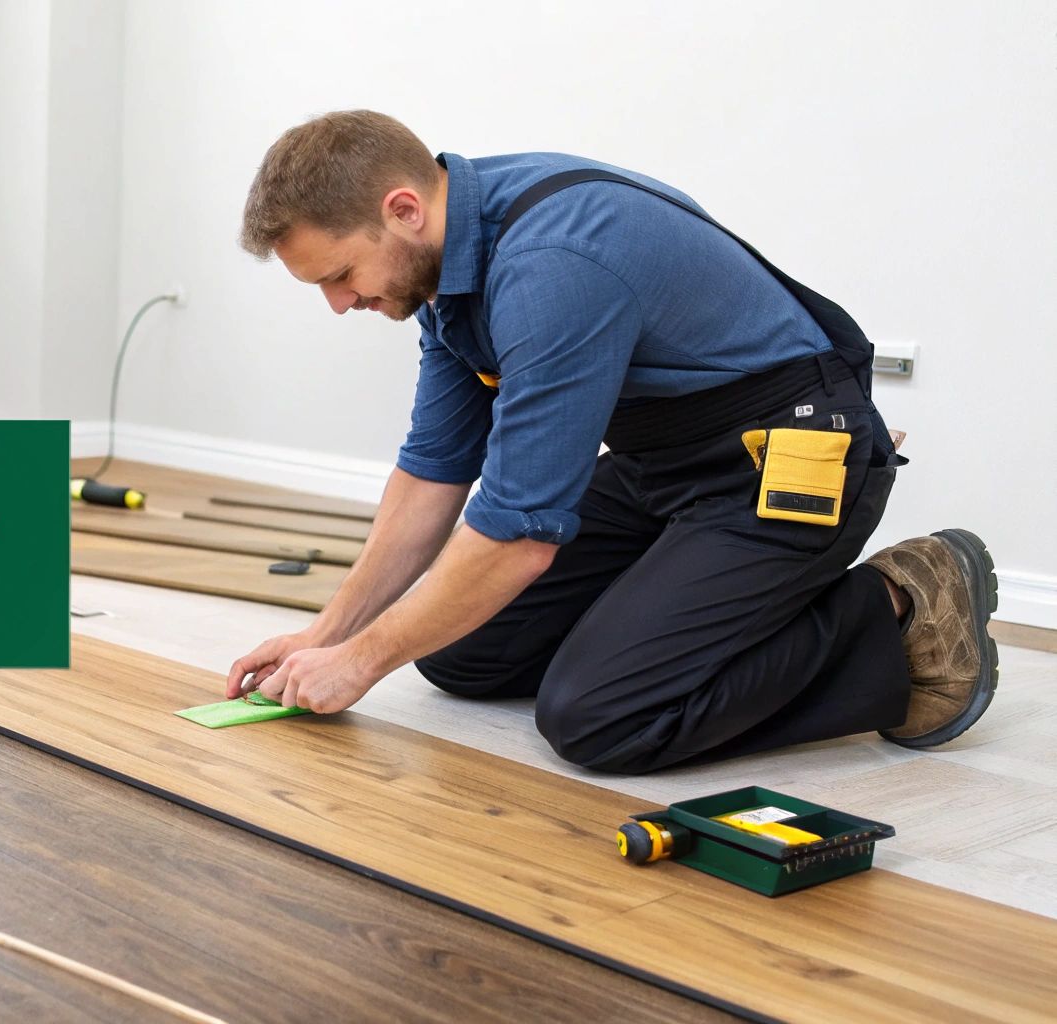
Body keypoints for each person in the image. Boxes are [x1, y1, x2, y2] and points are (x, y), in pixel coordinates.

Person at [224, 110, 996, 774]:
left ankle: (897, 605)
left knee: (601, 717)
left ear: (402, 209)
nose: (338, 303)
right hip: (666, 464)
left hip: (786, 463)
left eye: (340, 274)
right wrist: (324, 637)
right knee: (465, 654)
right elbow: (433, 474)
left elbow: (519, 533)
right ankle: (686, 605)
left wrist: (361, 664)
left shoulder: (551, 266)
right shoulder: (448, 269)